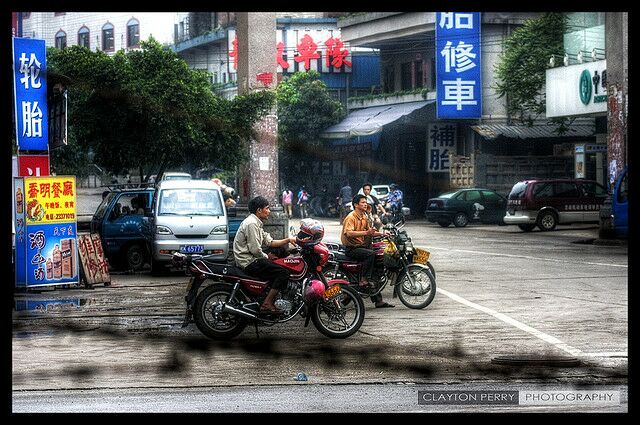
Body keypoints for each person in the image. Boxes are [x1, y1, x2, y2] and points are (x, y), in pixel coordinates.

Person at [233, 196, 297, 314]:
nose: (269, 211)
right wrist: (267, 257)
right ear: (259, 210)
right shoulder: (251, 224)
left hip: (252, 257)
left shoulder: (256, 222)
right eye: (267, 208)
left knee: (280, 250)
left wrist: (288, 240)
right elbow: (255, 250)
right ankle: (267, 303)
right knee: (283, 272)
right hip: (248, 261)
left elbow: (270, 242)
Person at [341, 194, 394, 308]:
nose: (365, 204)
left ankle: (378, 300)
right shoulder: (351, 217)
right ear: (356, 205)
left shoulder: (364, 216)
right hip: (352, 248)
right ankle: (363, 279)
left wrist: (383, 234)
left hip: (361, 246)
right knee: (370, 255)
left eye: (366, 202)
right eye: (362, 202)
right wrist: (366, 233)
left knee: (376, 264)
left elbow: (370, 231)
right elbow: (348, 233)